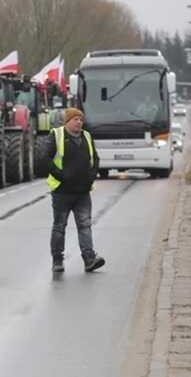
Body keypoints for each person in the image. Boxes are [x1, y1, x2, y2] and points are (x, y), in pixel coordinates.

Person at [46, 108, 105, 273]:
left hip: (82, 192)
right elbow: (44, 158)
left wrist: (91, 176)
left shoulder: (86, 136)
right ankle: (57, 260)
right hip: (62, 192)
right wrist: (61, 176)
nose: (79, 122)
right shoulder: (56, 136)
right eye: (75, 119)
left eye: (81, 119)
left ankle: (89, 259)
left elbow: (95, 159)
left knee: (85, 225)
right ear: (67, 121)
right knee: (59, 226)